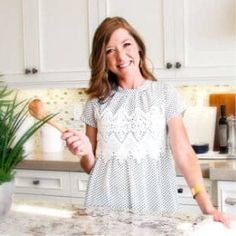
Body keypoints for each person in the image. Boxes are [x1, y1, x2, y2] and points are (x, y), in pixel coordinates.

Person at [63, 16, 229, 225]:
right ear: (102, 59)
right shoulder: (96, 103)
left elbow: (184, 153)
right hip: (105, 205)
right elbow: (91, 167)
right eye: (110, 50)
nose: (121, 55)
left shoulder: (164, 94)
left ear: (139, 47)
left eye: (126, 45)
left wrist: (207, 206)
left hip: (156, 201)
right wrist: (86, 151)